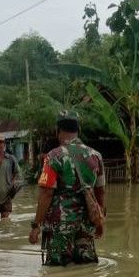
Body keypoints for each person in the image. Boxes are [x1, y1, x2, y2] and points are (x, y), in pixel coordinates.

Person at [28, 110, 106, 266]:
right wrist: (100, 221)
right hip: (87, 224)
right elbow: (100, 191)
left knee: (56, 273)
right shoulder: (95, 155)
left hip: (60, 226)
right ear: (78, 130)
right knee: (87, 269)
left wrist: (36, 225)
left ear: (57, 130)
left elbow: (46, 194)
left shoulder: (54, 156)